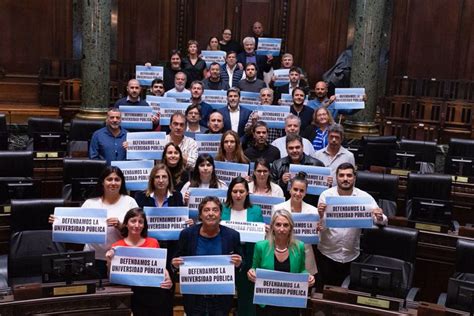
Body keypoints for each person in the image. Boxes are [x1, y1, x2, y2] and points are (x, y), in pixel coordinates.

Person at [49, 166, 138, 278]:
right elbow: (76, 226)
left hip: (121, 257)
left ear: (122, 182)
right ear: (102, 182)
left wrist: (121, 226)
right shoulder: (90, 203)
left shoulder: (130, 202)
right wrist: (59, 222)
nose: (113, 183)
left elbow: (139, 231)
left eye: (117, 179)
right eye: (109, 179)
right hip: (93, 257)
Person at [316, 163, 387, 291]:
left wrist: (379, 216)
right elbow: (321, 226)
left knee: (346, 294)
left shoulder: (364, 198)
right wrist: (321, 216)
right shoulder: (326, 196)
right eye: (341, 175)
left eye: (349, 175)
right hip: (327, 254)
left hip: (351, 255)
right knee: (325, 293)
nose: (345, 179)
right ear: (336, 177)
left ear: (354, 178)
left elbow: (383, 221)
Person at [171, 196, 242, 316]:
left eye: (215, 210)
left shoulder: (232, 236)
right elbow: (175, 261)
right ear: (200, 215)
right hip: (194, 300)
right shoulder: (187, 235)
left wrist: (239, 263)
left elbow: (241, 263)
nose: (211, 213)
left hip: (221, 300)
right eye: (206, 210)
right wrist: (174, 264)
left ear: (220, 214)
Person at [105, 208, 173, 316]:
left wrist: (168, 278)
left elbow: (160, 268)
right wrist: (109, 261)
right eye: (133, 221)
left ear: (144, 225)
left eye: (140, 222)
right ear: (126, 224)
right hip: (129, 294)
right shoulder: (117, 247)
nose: (137, 225)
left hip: (152, 293)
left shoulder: (153, 242)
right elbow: (111, 275)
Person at [247, 209, 315, 316]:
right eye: (278, 224)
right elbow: (254, 269)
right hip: (266, 304)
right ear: (272, 227)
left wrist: (308, 277)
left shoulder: (299, 246)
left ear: (290, 228)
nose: (281, 229)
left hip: (290, 303)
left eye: (285, 225)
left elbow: (301, 270)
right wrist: (251, 273)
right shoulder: (260, 246)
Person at [222, 177, 263, 316]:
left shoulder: (256, 211)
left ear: (247, 193)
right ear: (230, 193)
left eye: (241, 191)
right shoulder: (222, 209)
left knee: (247, 296)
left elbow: (260, 240)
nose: (238, 195)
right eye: (234, 191)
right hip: (227, 255)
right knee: (224, 296)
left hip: (249, 255)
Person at [272, 173, 318, 279]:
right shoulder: (277, 208)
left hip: (304, 255)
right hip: (281, 254)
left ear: (306, 192)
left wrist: (319, 230)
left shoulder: (313, 211)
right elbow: (273, 233)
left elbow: (317, 238)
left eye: (301, 191)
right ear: (290, 189)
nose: (298, 193)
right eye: (295, 189)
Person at [271, 133, 324, 198]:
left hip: (309, 204)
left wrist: (328, 184)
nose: (294, 150)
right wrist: (281, 181)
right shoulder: (277, 164)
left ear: (302, 147)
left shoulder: (316, 164)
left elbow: (323, 192)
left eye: (297, 147)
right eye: (291, 148)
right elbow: (269, 188)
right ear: (286, 149)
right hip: (286, 202)